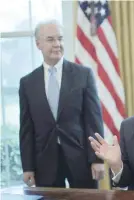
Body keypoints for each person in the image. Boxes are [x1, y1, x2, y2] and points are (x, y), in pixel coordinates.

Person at [19, 19, 105, 188]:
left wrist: (97, 158)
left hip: (81, 159)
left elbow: (93, 121)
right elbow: (26, 129)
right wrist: (27, 167)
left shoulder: (83, 74)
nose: (57, 44)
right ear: (38, 44)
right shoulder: (27, 83)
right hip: (44, 162)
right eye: (51, 39)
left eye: (60, 38)